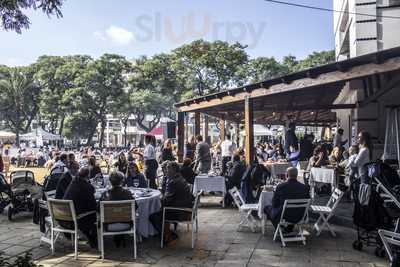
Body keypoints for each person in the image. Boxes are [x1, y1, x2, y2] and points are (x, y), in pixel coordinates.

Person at [149, 161, 194, 244]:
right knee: (159, 211)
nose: (166, 170)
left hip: (180, 212)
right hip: (186, 208)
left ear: (174, 169)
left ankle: (168, 236)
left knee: (153, 216)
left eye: (168, 168)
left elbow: (166, 201)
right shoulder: (179, 177)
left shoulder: (173, 182)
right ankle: (167, 233)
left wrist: (158, 200)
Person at [62, 167, 98, 248]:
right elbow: (93, 205)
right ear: (88, 176)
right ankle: (94, 238)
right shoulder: (87, 187)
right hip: (75, 218)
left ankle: (91, 236)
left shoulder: (73, 183)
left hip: (64, 216)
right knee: (97, 212)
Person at [100, 171, 135, 248]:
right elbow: (135, 207)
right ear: (122, 181)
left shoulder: (105, 194)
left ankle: (118, 237)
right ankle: (121, 236)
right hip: (126, 224)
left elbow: (98, 209)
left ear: (110, 181)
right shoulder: (128, 193)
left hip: (109, 225)